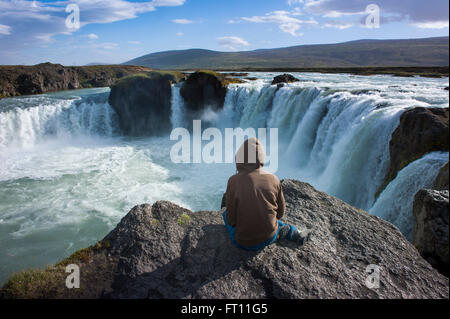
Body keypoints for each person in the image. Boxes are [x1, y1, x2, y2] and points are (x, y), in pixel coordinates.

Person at [222, 137, 310, 251]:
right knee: (276, 222)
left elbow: (230, 219)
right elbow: (280, 213)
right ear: (262, 158)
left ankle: (276, 230)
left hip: (242, 242)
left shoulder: (233, 180)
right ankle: (294, 233)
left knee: (225, 214)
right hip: (269, 237)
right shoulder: (274, 179)